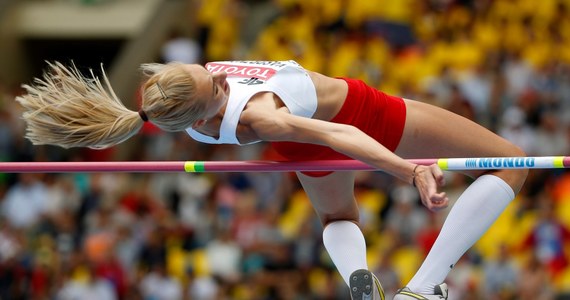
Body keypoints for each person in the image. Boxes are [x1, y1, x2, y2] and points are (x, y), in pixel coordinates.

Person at [16, 60, 528, 300]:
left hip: (295, 148)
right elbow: (338, 131)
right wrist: (406, 168)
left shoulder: (161, 99)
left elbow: (188, 90)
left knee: (337, 216)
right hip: (358, 114)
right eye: (214, 83)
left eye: (204, 68)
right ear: (199, 114)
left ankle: (358, 277)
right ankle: (422, 288)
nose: (219, 74)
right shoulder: (261, 113)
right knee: (512, 160)